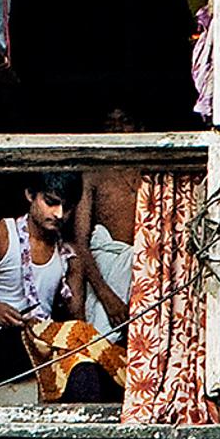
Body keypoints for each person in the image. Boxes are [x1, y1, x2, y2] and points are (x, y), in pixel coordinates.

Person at [0, 172, 119, 401]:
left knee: (84, 366)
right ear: (30, 195)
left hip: (45, 340)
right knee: (81, 339)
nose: (59, 214)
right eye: (51, 202)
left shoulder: (67, 254)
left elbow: (76, 318)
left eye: (67, 207)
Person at [74, 110, 144, 330]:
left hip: (149, 272)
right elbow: (80, 244)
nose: (117, 129)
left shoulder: (154, 171)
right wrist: (106, 295)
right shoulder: (93, 174)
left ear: (141, 129)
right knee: (103, 346)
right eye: (109, 123)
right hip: (106, 273)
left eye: (125, 121)